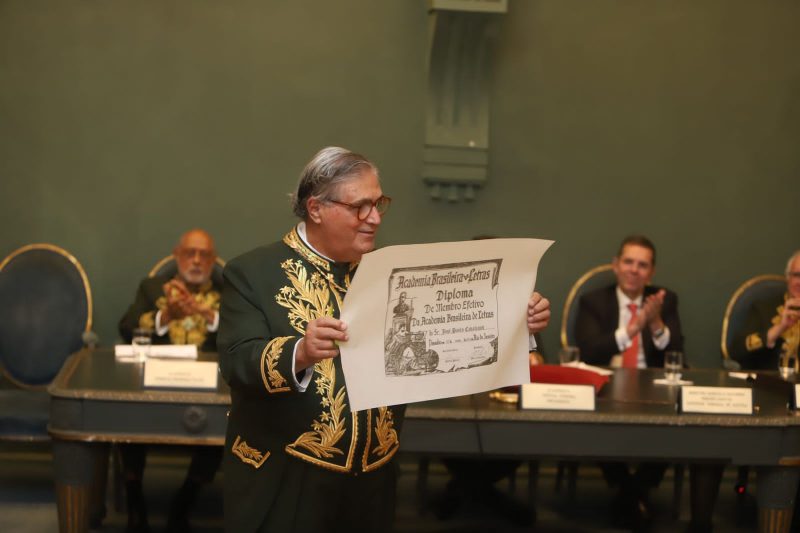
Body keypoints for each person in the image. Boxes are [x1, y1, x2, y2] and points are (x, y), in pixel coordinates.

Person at [216, 146, 552, 532]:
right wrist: (300, 352)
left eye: (379, 204)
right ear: (316, 209)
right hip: (286, 477)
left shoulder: (391, 273)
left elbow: (444, 343)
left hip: (373, 479)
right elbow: (237, 363)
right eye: (360, 207)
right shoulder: (253, 272)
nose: (374, 218)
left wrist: (516, 322)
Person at [118, 228, 224, 533]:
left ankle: (184, 502)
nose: (195, 260)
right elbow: (126, 328)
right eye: (189, 253)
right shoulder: (153, 289)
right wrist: (164, 317)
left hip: (209, 388)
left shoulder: (228, 291)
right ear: (177, 256)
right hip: (156, 383)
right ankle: (135, 501)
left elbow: (242, 335)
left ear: (213, 260)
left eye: (203, 255)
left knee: (225, 419)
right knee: (127, 411)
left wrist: (208, 314)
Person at [731, 250, 800, 370]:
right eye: (797, 275)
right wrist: (778, 329)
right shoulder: (763, 308)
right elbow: (736, 351)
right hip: (770, 384)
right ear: (788, 278)